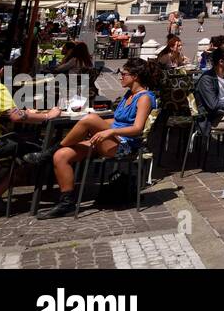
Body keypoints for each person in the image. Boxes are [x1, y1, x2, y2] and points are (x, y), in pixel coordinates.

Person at [24, 57, 161, 219]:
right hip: (109, 142)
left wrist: (108, 132)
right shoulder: (128, 94)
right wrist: (100, 126)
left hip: (125, 145)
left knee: (90, 119)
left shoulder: (144, 97)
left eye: (123, 74)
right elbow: (116, 121)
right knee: (61, 156)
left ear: (135, 76)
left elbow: (137, 128)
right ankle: (66, 202)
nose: (120, 76)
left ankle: (45, 154)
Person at [0, 52, 61, 216]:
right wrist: (48, 115)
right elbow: (15, 117)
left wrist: (22, 112)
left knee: (17, 142)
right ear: (0, 71)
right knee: (33, 153)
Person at [193, 40, 224, 143]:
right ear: (221, 62)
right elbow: (213, 105)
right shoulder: (207, 79)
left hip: (222, 113)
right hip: (209, 118)